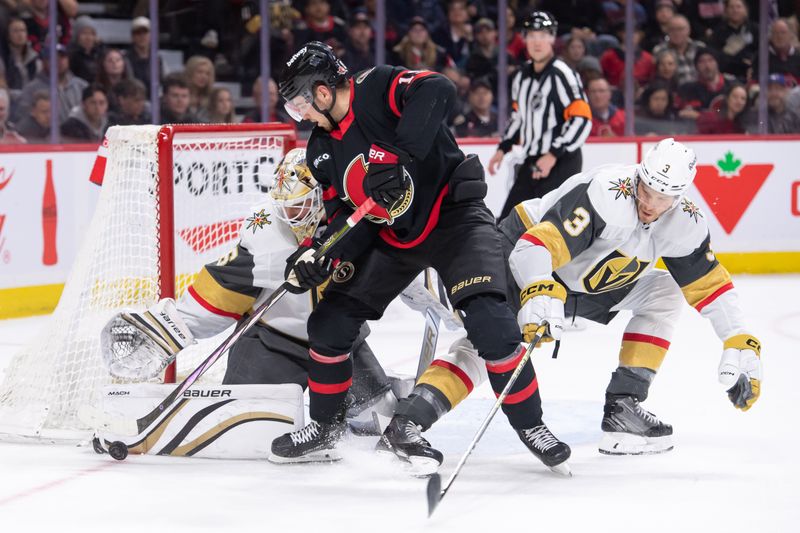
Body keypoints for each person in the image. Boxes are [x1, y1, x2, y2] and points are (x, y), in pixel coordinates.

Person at [269, 41, 569, 473]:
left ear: (320, 91)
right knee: (329, 322)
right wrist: (317, 253)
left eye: (301, 105)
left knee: (491, 324)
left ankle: (532, 426)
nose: (303, 118)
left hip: (455, 221)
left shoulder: (376, 86)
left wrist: (393, 154)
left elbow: (438, 89)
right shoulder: (320, 149)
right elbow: (343, 215)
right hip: (389, 236)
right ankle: (324, 426)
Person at [99, 148, 400, 440]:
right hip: (272, 343)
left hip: (342, 346)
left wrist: (440, 294)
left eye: (298, 206)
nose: (289, 214)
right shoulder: (268, 229)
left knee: (379, 419)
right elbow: (226, 284)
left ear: (322, 198)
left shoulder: (361, 222)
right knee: (238, 426)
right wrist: (167, 328)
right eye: (284, 204)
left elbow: (402, 267)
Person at [500, 138, 763, 454]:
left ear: (679, 197)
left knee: (664, 291)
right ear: (639, 175)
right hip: (524, 251)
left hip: (585, 282)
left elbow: (710, 285)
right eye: (646, 190)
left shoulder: (685, 221)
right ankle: (423, 412)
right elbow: (542, 243)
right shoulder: (607, 192)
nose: (650, 204)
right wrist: (539, 287)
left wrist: (738, 337)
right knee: (486, 340)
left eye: (662, 198)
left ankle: (623, 408)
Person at [488, 11, 591, 221]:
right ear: (524, 38)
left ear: (552, 38)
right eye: (532, 35)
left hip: (562, 160)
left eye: (543, 35)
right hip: (534, 159)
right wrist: (503, 147)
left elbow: (582, 119)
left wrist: (553, 154)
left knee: (550, 224)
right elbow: (519, 117)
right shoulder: (521, 76)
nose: (537, 42)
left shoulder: (563, 73)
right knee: (510, 221)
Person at [122, 16, 163, 98]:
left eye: (145, 32)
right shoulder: (125, 58)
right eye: (138, 33)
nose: (142, 36)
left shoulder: (157, 59)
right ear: (132, 37)